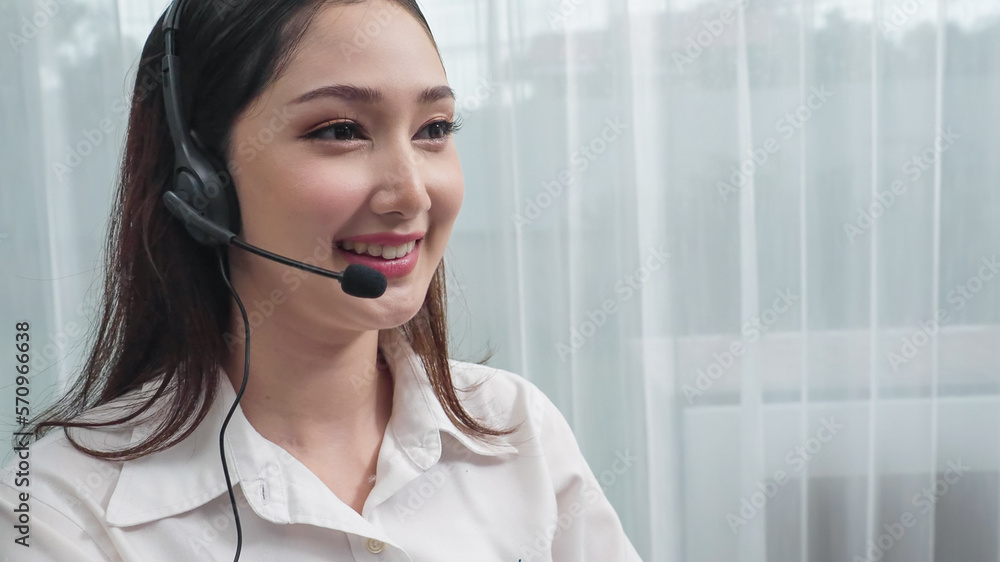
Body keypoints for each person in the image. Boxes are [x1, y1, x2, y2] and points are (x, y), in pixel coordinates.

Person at [0, 0, 642, 560]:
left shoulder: (515, 429)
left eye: (434, 130)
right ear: (202, 183)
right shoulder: (58, 512)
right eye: (340, 131)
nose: (410, 193)